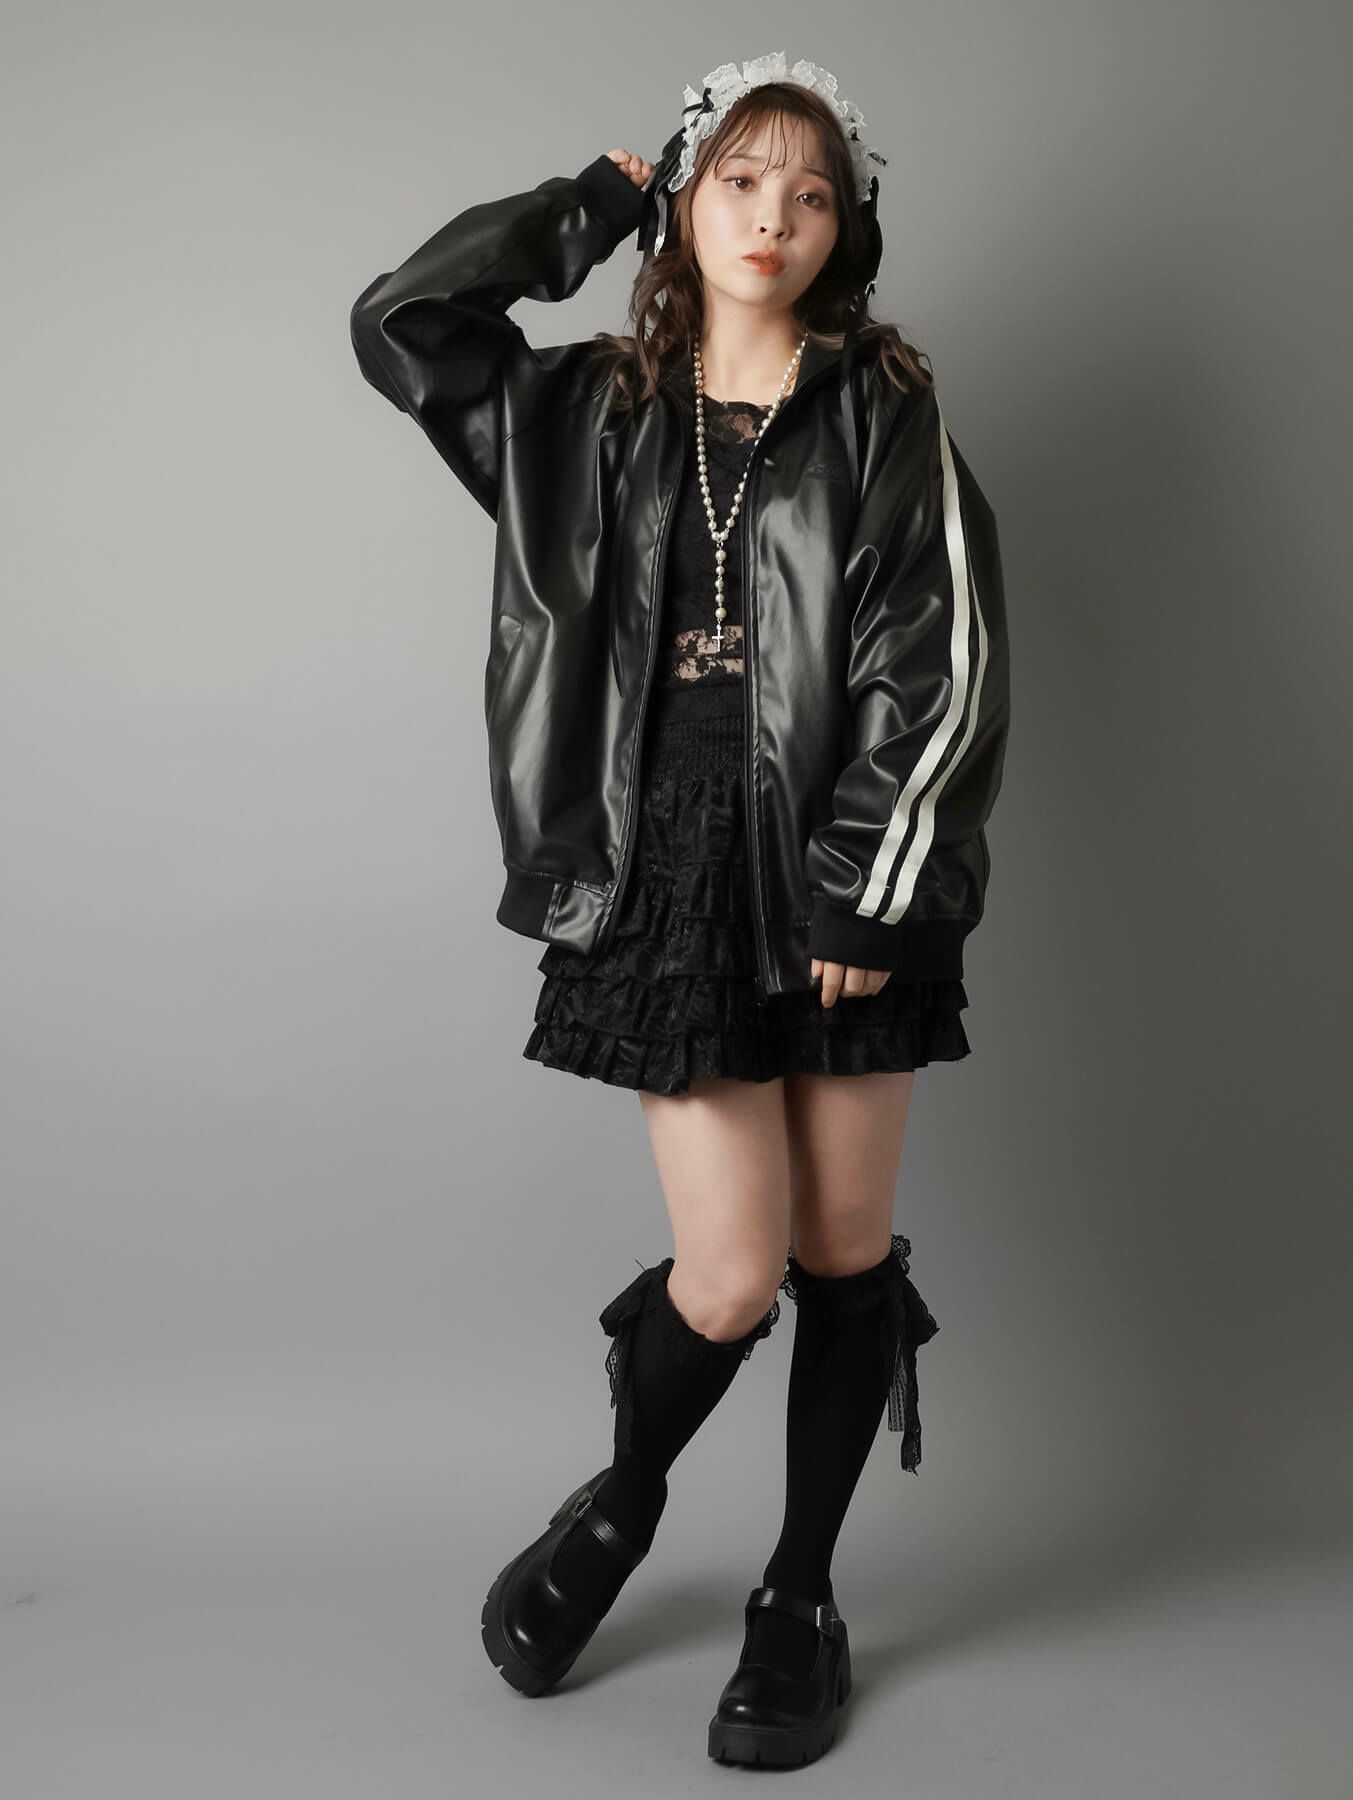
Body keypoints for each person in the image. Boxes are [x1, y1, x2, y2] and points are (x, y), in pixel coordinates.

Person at [350, 52, 1010, 1769]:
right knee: (728, 1273)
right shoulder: (580, 413)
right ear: (687, 200)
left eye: (811, 193)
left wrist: (870, 888)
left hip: (838, 867)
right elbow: (403, 322)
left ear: (845, 227)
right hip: (665, 869)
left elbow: (937, 657)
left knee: (841, 1251)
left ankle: (800, 1598)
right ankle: (623, 1502)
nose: (773, 217)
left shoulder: (881, 407)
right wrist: (581, 209)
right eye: (738, 181)